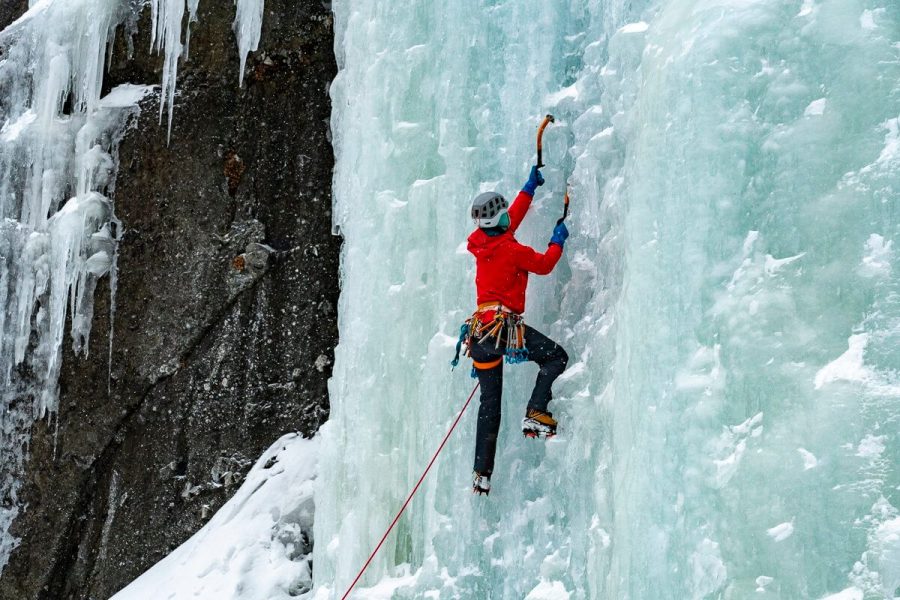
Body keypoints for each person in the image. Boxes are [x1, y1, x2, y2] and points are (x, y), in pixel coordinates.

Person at [464, 165, 569, 495]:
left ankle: (482, 474)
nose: (510, 216)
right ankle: (536, 411)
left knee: (489, 406)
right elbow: (545, 264)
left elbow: (511, 219)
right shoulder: (511, 249)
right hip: (502, 330)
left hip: (480, 334)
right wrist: (557, 240)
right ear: (498, 221)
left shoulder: (483, 242)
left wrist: (529, 188)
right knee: (555, 357)